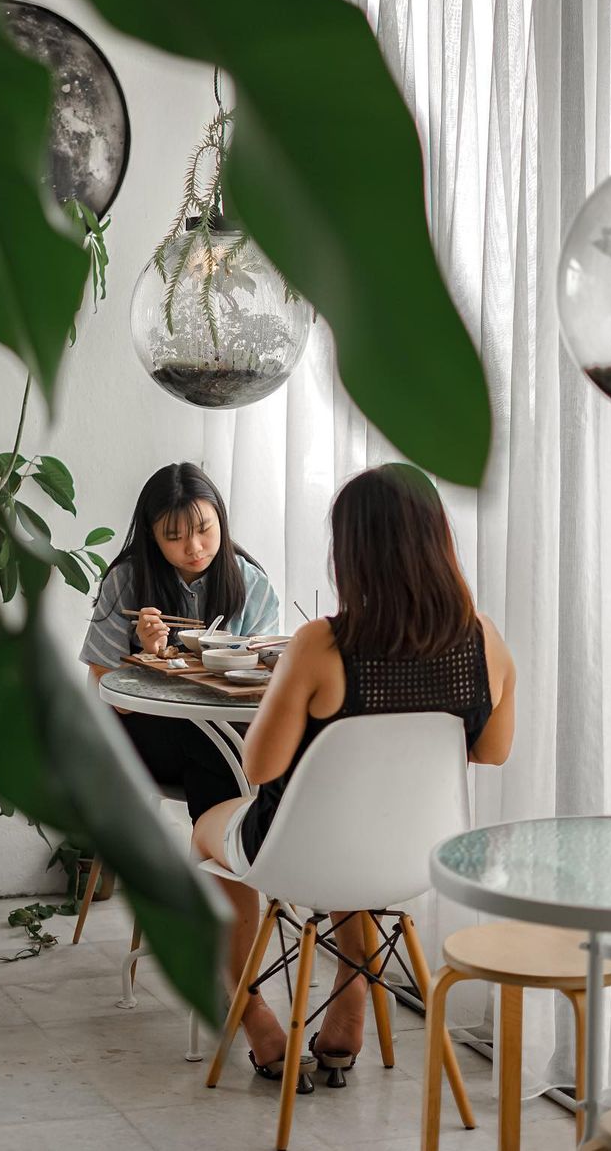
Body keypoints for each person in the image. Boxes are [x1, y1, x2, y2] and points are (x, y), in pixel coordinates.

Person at [194, 463, 516, 1081]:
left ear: (353, 552)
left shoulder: (321, 644)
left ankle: (260, 1022)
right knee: (352, 839)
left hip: (304, 850)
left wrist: (286, 689)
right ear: (438, 542)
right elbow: (492, 752)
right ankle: (351, 1001)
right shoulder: (485, 641)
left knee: (208, 826)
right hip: (414, 856)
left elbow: (261, 766)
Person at [81, 461, 279, 827]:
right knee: (210, 744)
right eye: (174, 537)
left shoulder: (253, 585)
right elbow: (111, 698)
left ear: (221, 518)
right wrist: (144, 657)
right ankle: (235, 858)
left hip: (231, 738)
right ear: (152, 536)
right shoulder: (125, 581)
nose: (194, 547)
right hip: (143, 739)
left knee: (217, 752)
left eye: (205, 529)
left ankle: (217, 863)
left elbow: (262, 687)